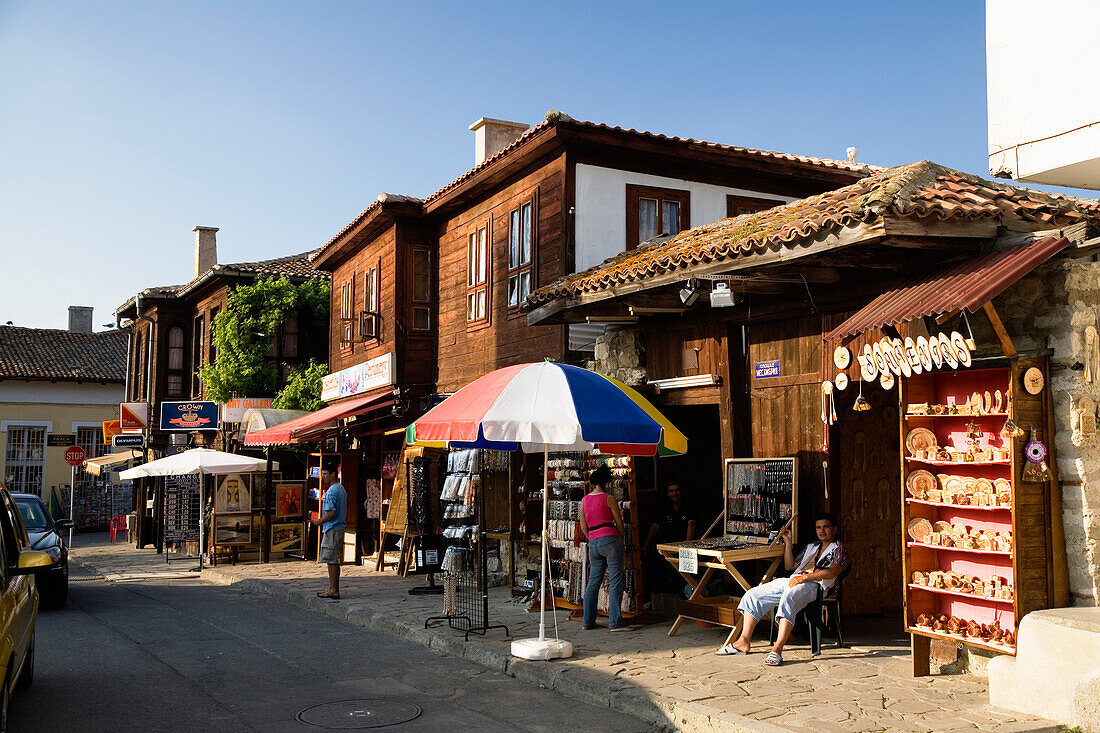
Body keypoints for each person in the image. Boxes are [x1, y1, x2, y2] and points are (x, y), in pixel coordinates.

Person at [716, 513, 848, 666]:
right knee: (753, 594)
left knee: (789, 597)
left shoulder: (839, 548)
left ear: (835, 529)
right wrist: (788, 542)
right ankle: (743, 641)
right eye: (818, 527)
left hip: (817, 585)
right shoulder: (812, 547)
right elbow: (789, 566)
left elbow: (832, 572)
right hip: (795, 579)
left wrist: (804, 578)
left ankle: (777, 648)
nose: (822, 531)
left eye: (826, 527)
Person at [579, 465, 632, 632]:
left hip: (593, 541)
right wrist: (620, 536)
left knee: (593, 581)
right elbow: (619, 522)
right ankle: (615, 621)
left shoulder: (584, 500)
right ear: (606, 482)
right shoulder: (609, 499)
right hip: (609, 538)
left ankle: (587, 621)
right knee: (615, 579)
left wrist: (592, 538)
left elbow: (583, 527)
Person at [642, 483, 697, 593]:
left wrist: (686, 547)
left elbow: (691, 525)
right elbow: (655, 526)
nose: (674, 494)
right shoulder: (664, 507)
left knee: (683, 564)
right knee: (651, 555)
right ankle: (664, 586)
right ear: (667, 493)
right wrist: (645, 545)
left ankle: (683, 591)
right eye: (671, 491)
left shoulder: (688, 505)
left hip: (682, 544)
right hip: (667, 543)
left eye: (677, 490)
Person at [311, 463, 347, 599]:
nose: (323, 477)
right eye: (322, 474)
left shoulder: (332, 491)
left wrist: (319, 521)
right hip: (337, 527)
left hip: (333, 528)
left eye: (326, 474)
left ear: (333, 474)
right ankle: (332, 587)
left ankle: (334, 589)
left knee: (331, 560)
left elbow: (332, 512)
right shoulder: (340, 489)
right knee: (332, 559)